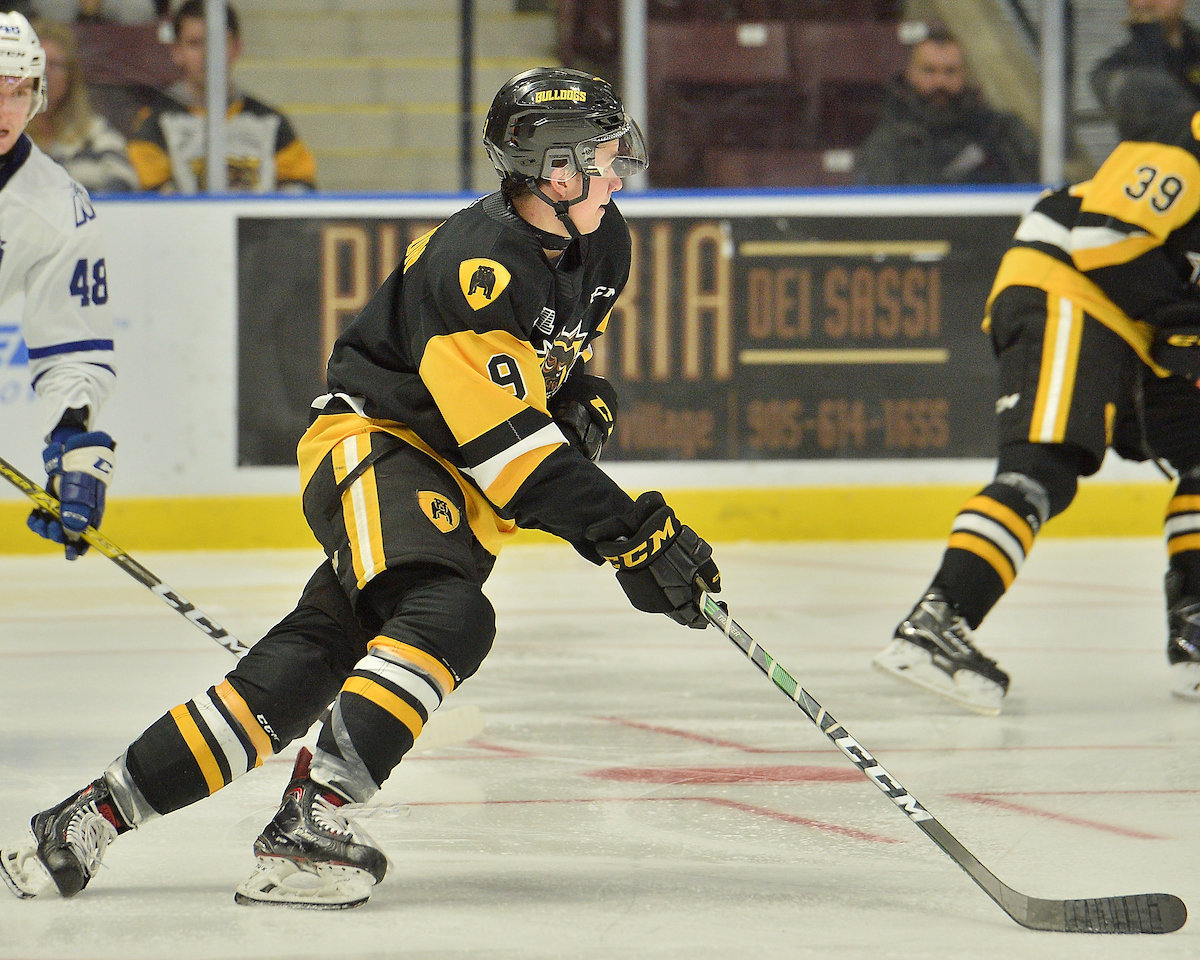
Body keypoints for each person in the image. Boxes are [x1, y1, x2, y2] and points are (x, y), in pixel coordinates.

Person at [0, 66, 722, 909]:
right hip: (379, 449)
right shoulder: (475, 263)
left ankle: (88, 816)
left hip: (447, 483)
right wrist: (630, 533)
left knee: (296, 674)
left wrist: (576, 398)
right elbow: (512, 459)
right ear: (553, 171)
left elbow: (536, 372)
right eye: (601, 158)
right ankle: (312, 818)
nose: (617, 174)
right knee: (450, 616)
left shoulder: (604, 244)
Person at [872, 104, 1200, 715]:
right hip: (1070, 292)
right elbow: (1105, 238)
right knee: (1042, 468)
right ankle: (937, 622)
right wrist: (1185, 323)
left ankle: (1194, 633)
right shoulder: (1182, 152)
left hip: (1131, 327)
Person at [0, 11, 117, 561]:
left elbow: (72, 346)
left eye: (18, 91)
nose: (5, 110)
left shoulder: (59, 210)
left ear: (39, 96)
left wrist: (71, 441)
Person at [126, 0, 316, 193]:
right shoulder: (155, 122)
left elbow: (301, 191)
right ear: (177, 51)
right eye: (195, 44)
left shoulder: (270, 121)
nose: (207, 54)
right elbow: (153, 199)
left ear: (236, 48)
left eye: (217, 42)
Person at [854, 26, 1039, 186]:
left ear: (964, 74)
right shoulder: (887, 143)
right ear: (910, 74)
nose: (940, 82)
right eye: (929, 70)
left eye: (950, 71)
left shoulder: (1002, 133)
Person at [24, 20, 138, 194]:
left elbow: (125, 183)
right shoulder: (8, 133)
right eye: (37, 64)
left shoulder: (96, 132)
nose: (44, 74)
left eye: (54, 65)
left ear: (71, 76)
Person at [1091, 0, 1200, 142]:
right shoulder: (1114, 70)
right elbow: (1166, 113)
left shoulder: (1194, 49)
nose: (1149, 3)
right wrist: (1148, 34)